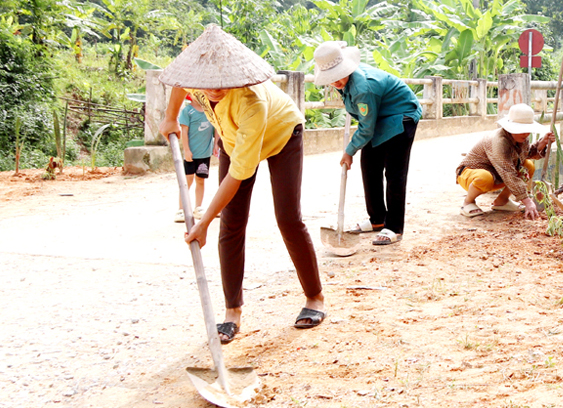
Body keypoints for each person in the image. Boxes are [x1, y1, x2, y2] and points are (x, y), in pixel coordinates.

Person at [159, 24, 325, 344]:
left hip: (282, 135)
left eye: (223, 83)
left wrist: (204, 221)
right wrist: (170, 116)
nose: (215, 89)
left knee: (288, 218)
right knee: (232, 223)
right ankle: (232, 312)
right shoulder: (200, 80)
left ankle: (315, 297)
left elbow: (238, 173)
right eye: (209, 84)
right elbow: (181, 81)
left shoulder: (252, 102)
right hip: (235, 141)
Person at [312, 41, 422, 246]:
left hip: (400, 116)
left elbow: (366, 128)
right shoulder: (345, 82)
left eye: (338, 75)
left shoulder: (364, 87)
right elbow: (365, 119)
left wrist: (349, 151)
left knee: (394, 173)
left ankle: (394, 227)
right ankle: (377, 220)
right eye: (331, 78)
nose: (335, 82)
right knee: (370, 168)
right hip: (379, 117)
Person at [456, 103, 555, 220]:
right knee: (485, 177)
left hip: (497, 175)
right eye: (521, 129)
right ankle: (468, 202)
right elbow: (508, 173)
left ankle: (502, 201)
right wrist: (527, 201)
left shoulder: (521, 138)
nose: (526, 133)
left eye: (528, 129)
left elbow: (525, 154)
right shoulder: (500, 142)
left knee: (528, 166)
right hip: (470, 174)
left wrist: (542, 143)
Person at [175, 97, 216, 223]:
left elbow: (216, 129)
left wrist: (216, 145)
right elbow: (184, 132)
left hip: (205, 153)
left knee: (200, 180)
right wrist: (186, 150)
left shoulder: (210, 111)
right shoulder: (187, 111)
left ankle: (198, 207)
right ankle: (181, 209)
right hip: (191, 153)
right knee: (187, 180)